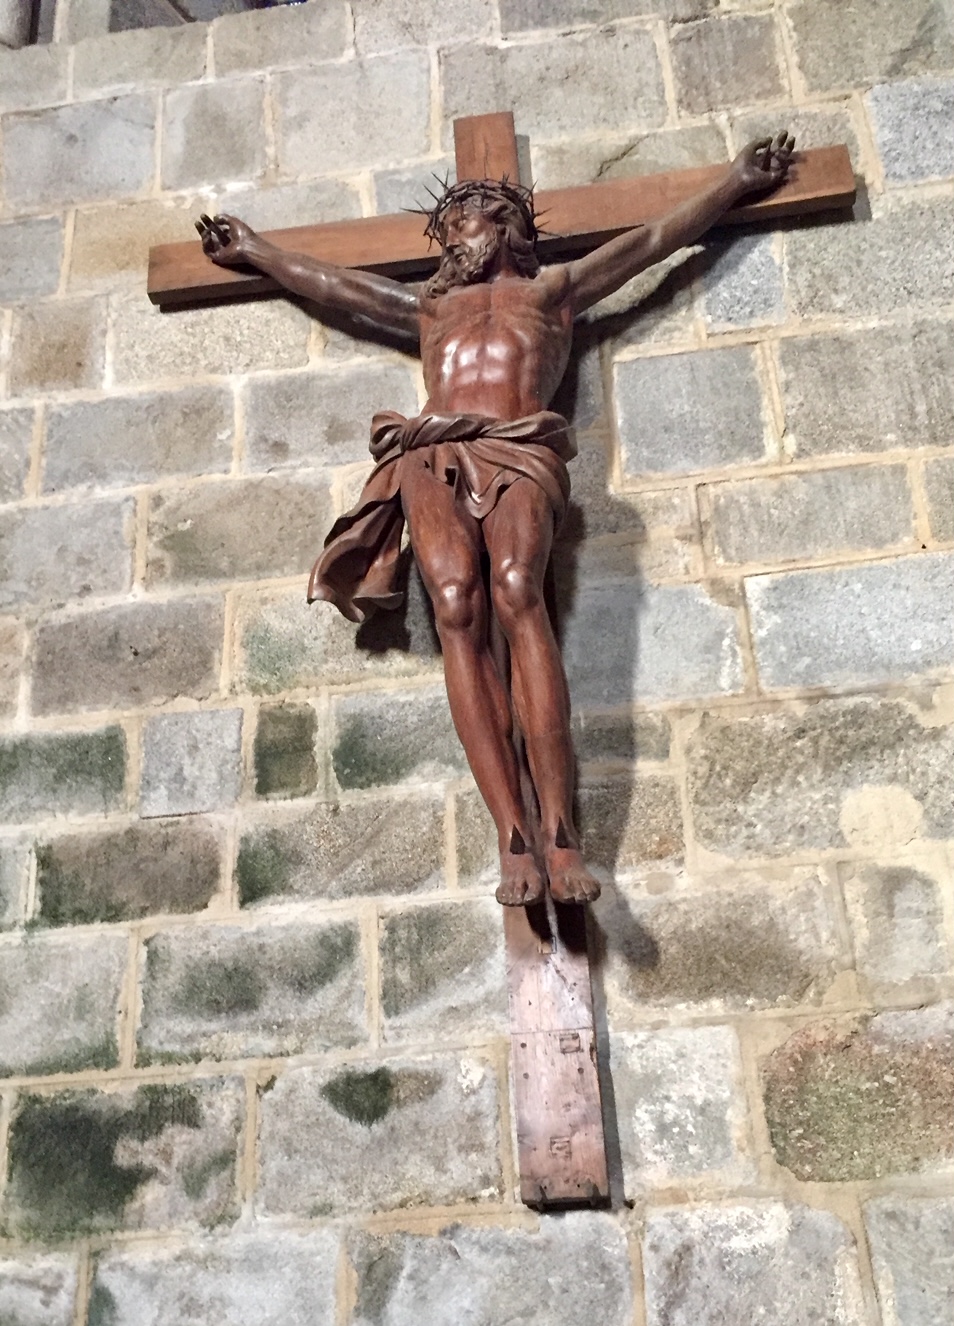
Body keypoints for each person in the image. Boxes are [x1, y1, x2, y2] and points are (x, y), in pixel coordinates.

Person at [197, 132, 794, 907]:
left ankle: (561, 832)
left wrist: (735, 183)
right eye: (445, 229)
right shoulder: (431, 306)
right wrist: (257, 251)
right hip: (434, 454)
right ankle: (513, 834)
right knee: (454, 606)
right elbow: (337, 287)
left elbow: (651, 243)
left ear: (506, 225)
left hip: (519, 448)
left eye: (464, 222)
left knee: (517, 590)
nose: (452, 239)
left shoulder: (553, 293)